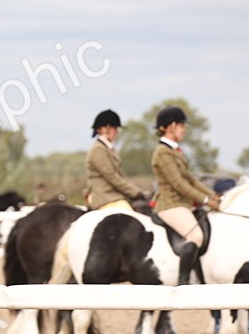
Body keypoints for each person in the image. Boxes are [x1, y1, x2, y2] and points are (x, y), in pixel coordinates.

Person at [151, 105, 219, 285]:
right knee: (195, 236)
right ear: (171, 126)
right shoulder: (162, 152)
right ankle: (183, 281)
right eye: (182, 125)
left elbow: (191, 180)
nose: (184, 129)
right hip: (170, 204)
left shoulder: (175, 151)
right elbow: (178, 184)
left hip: (182, 203)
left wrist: (213, 195)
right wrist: (205, 200)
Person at [85, 109, 145, 211]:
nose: (117, 132)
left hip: (115, 196)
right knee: (129, 214)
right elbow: (112, 177)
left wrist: (138, 191)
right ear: (105, 128)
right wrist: (135, 193)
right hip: (104, 197)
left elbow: (121, 176)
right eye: (114, 128)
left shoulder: (108, 149)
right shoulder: (98, 150)